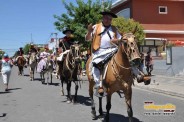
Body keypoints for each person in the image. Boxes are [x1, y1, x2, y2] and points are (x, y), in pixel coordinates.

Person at [85, 11, 151, 95]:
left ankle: (139, 75)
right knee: (96, 64)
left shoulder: (114, 28)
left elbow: (120, 40)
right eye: (106, 18)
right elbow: (87, 39)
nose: (108, 20)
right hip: (99, 51)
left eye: (110, 19)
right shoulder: (96, 27)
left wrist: (118, 40)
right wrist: (89, 32)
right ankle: (98, 85)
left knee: (127, 58)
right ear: (103, 18)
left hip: (112, 49)